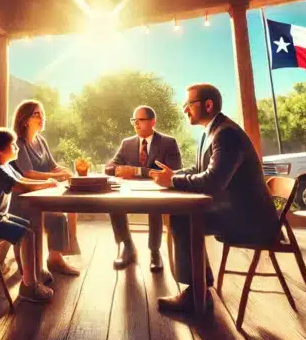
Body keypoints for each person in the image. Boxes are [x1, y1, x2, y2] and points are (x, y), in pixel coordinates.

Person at [150, 83, 280, 314]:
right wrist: (174, 175)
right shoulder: (213, 131)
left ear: (207, 105)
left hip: (252, 222)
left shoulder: (226, 134)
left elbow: (213, 181)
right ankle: (199, 289)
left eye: (189, 104)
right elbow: (200, 168)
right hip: (237, 212)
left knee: (183, 220)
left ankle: (196, 293)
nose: (185, 110)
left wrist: (172, 182)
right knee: (183, 217)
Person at [0, 128, 58, 302]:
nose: (17, 147)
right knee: (26, 235)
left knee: (30, 227)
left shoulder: (5, 166)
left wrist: (45, 182)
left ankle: (32, 271)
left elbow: (24, 180)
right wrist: (47, 185)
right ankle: (29, 286)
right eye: (12, 145)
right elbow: (22, 186)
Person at [105, 105, 182, 272]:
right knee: (113, 202)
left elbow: (174, 171)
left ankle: (155, 252)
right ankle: (128, 247)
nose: (136, 124)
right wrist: (116, 169)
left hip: (158, 191)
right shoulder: (127, 143)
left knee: (153, 204)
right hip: (129, 191)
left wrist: (136, 171)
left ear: (152, 121)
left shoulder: (168, 143)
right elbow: (110, 166)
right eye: (134, 120)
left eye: (141, 120)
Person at [9, 100, 80, 279]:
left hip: (40, 196)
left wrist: (65, 171)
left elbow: (52, 166)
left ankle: (55, 259)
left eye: (43, 114)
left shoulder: (41, 140)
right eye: (37, 114)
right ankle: (31, 269)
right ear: (24, 120)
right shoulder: (19, 142)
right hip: (20, 201)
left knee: (59, 217)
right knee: (52, 217)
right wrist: (55, 177)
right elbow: (28, 172)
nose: (42, 118)